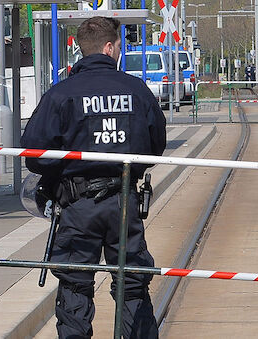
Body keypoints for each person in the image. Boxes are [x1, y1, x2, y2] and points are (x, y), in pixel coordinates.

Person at [21, 16, 166, 338]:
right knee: (132, 281)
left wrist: (61, 176)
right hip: (124, 200)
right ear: (110, 46)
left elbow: (33, 152)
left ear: (78, 48)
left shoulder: (61, 94)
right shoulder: (136, 90)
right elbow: (156, 148)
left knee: (75, 284)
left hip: (77, 203)